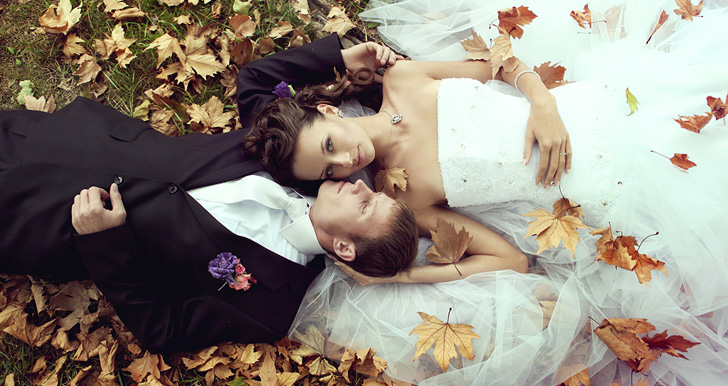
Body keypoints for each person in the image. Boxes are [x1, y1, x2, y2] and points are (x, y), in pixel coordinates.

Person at [244, 0, 728, 384]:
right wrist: (401, 278)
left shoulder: (404, 78)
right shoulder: (408, 199)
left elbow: (499, 66)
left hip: (585, 109)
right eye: (329, 169)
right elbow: (512, 261)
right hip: (611, 187)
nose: (346, 161)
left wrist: (540, 101)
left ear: (331, 115)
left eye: (331, 145)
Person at [0, 35, 419, 353]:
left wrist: (104, 243)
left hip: (38, 220)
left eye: (366, 204)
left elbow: (163, 330)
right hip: (64, 140)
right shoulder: (301, 164)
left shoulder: (273, 305)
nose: (361, 184)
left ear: (344, 248)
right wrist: (340, 58)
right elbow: (257, 81)